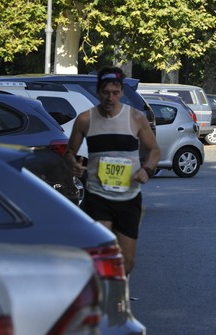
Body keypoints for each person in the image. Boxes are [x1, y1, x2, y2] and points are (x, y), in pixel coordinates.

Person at [66, 66, 161, 275]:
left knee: (126, 263)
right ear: (98, 92)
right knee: (103, 254)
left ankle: (118, 299)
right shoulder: (85, 119)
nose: (111, 98)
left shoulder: (135, 118)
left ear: (122, 93)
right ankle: (102, 301)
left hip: (129, 196)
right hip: (97, 195)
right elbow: (69, 152)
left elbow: (154, 150)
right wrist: (72, 162)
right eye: (106, 92)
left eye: (115, 93)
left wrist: (147, 170)